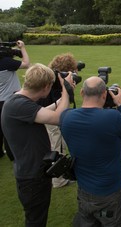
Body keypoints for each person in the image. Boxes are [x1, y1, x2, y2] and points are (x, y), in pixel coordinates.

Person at [60, 76, 121, 226]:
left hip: (84, 191)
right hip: (111, 193)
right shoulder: (113, 117)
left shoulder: (66, 117)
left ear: (82, 92)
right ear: (104, 94)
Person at [1, 63, 72, 226]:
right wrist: (66, 91)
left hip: (31, 172)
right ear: (46, 87)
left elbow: (43, 113)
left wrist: (61, 98)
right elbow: (56, 118)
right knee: (36, 221)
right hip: (32, 177)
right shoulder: (19, 105)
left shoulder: (17, 100)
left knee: (36, 218)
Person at [39, 53, 78, 188]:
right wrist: (67, 89)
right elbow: (61, 104)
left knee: (54, 144)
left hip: (44, 113)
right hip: (51, 116)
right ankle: (58, 180)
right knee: (57, 145)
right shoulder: (58, 82)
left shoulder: (52, 77)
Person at [0, 40, 30, 160]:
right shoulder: (6, 62)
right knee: (9, 128)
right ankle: (12, 154)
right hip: (8, 99)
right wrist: (22, 48)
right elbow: (26, 64)